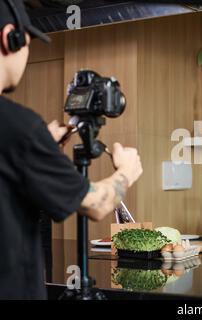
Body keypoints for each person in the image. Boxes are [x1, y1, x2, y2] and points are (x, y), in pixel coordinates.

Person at [0, 0, 143, 299]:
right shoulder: (19, 126)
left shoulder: (21, 136)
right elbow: (96, 205)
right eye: (28, 42)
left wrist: (40, 151)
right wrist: (126, 171)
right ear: (10, 37)